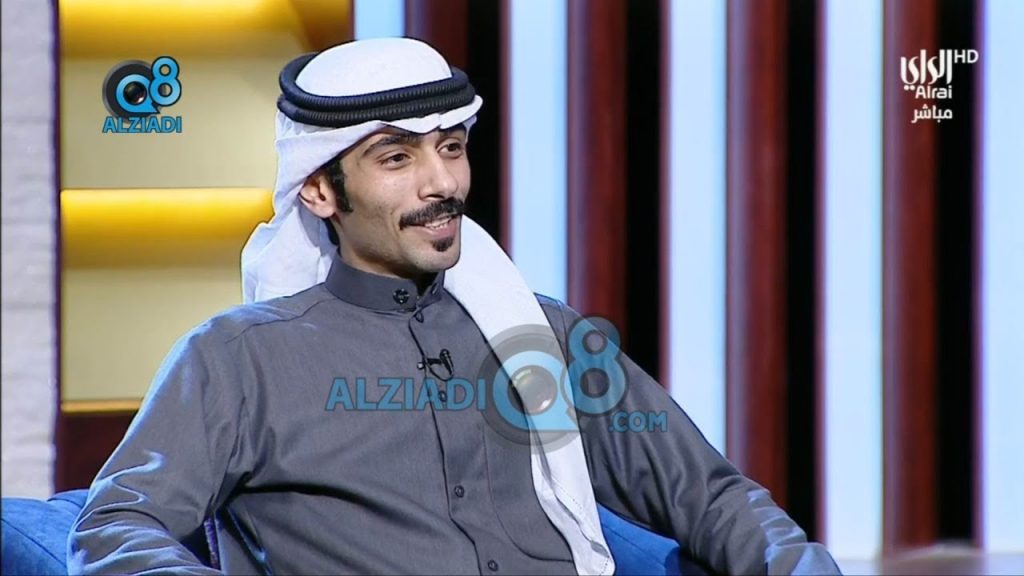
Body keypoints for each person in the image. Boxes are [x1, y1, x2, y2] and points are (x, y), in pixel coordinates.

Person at [67, 37, 841, 575]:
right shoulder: (239, 359)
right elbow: (117, 528)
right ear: (319, 190)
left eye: (451, 147)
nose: (442, 184)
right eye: (397, 158)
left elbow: (710, 498)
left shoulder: (543, 333)